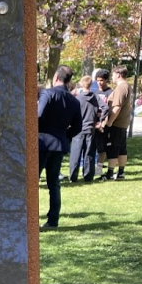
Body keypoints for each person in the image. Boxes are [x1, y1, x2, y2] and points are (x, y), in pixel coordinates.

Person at [38, 65, 82, 229]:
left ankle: (28, 218)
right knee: (54, 184)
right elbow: (78, 127)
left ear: (56, 77)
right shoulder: (74, 101)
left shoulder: (47, 94)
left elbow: (38, 115)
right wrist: (64, 136)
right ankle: (53, 220)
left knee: (31, 183)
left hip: (41, 142)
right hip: (59, 144)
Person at [101, 66, 132, 180]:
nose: (112, 77)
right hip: (123, 123)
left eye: (113, 74)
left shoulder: (121, 87)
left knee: (113, 147)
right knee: (122, 148)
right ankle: (121, 172)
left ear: (118, 74)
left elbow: (117, 107)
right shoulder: (127, 86)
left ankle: (110, 173)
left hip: (117, 123)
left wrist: (110, 122)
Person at [68, 76, 100, 183]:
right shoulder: (95, 98)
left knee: (75, 153)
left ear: (82, 84)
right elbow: (104, 108)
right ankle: (88, 176)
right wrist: (99, 120)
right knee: (89, 153)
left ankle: (73, 176)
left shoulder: (77, 99)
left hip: (78, 129)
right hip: (90, 128)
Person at [92, 69, 112, 176]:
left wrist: (103, 123)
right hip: (93, 123)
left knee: (102, 147)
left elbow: (110, 110)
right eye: (98, 80)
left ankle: (99, 167)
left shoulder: (110, 93)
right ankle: (90, 167)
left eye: (102, 80)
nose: (100, 82)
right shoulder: (94, 92)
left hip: (103, 124)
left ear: (106, 80)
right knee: (92, 146)